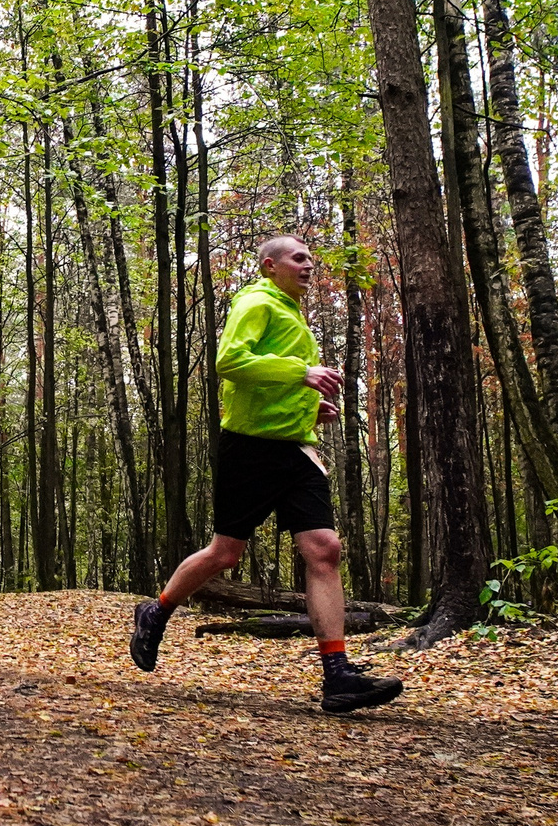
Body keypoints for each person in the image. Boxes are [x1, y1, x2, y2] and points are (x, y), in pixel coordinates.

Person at [127, 235, 403, 713]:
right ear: (270, 266)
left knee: (325, 549)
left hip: (296, 448)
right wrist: (301, 374)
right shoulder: (256, 301)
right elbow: (231, 363)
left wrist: (305, 406)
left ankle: (337, 674)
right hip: (249, 449)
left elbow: (268, 380)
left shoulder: (292, 312)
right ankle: (158, 610)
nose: (308, 266)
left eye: (311, 260)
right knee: (225, 553)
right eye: (298, 258)